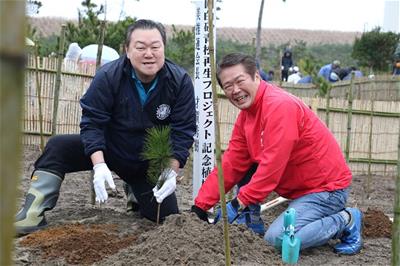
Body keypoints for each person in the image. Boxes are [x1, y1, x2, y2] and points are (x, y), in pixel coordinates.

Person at [15, 19, 196, 235]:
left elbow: (183, 131)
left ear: (164, 49)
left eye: (155, 47)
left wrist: (170, 171)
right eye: (140, 47)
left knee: (165, 219)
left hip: (146, 163)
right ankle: (32, 212)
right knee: (58, 146)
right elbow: (92, 123)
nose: (149, 53)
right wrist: (99, 165)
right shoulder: (109, 76)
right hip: (109, 148)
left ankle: (135, 194)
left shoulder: (179, 81)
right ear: (127, 50)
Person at [191, 53, 363, 255]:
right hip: (300, 191)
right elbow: (231, 164)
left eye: (240, 81)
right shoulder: (247, 116)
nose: (235, 90)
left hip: (326, 190)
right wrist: (200, 206)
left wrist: (238, 203)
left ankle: (346, 219)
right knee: (244, 162)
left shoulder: (279, 106)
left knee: (278, 239)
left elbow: (272, 167)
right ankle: (250, 219)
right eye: (228, 86)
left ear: (256, 76)